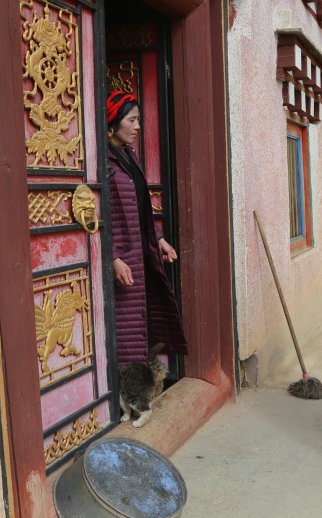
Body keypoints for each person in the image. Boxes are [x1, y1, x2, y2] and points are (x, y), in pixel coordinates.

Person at [106, 90, 188, 366]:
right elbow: (101, 216)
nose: (138, 127)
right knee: (125, 332)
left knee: (147, 325)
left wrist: (159, 239)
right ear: (113, 122)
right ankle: (126, 388)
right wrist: (114, 258)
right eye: (132, 120)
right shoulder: (103, 161)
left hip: (142, 254)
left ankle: (145, 383)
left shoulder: (129, 156)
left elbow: (141, 207)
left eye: (138, 120)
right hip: (124, 259)